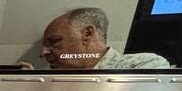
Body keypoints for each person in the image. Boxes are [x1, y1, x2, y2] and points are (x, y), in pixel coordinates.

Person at [19, 7, 170, 70]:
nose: (43, 53)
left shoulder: (143, 65)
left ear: (87, 34)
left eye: (54, 41)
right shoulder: (54, 78)